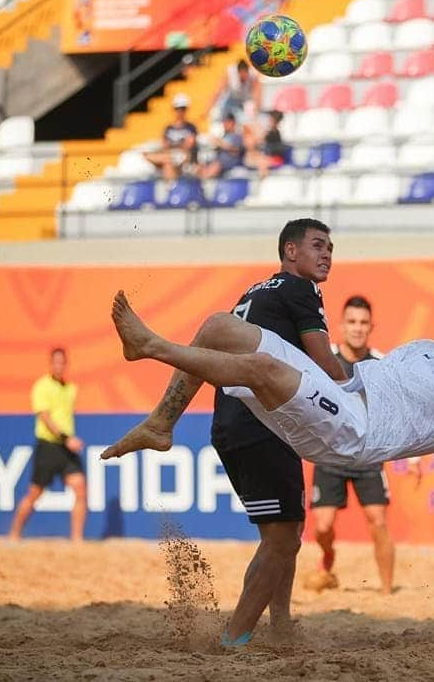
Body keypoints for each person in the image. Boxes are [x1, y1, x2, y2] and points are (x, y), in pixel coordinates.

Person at [102, 289, 434, 586]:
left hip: (354, 432)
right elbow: (358, 374)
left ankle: (151, 346)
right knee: (219, 326)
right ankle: (163, 422)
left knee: (264, 368)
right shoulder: (423, 348)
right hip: (339, 393)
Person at [104, 218, 345, 648]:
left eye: (330, 247)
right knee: (282, 538)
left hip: (235, 417)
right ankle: (235, 640)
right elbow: (327, 365)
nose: (327, 253)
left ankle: (283, 624)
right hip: (261, 418)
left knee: (284, 531)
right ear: (290, 252)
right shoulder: (301, 289)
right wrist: (363, 386)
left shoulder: (256, 292)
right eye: (318, 245)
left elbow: (222, 352)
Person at [310, 295, 418, 595]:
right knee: (322, 527)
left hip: (368, 455)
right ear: (342, 325)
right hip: (330, 454)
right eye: (352, 322)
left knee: (378, 521)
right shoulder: (323, 358)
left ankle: (386, 592)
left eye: (363, 323)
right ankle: (328, 557)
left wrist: (413, 459)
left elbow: (403, 411)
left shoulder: (382, 365)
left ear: (371, 327)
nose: (357, 328)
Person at [9, 348, 87, 542]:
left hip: (66, 448)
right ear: (51, 364)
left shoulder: (71, 388)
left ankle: (77, 539)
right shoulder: (42, 386)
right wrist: (66, 438)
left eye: (62, 362)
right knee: (35, 493)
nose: (59, 366)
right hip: (49, 446)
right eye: (56, 362)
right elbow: (45, 417)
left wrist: (68, 439)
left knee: (80, 488)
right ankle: (14, 534)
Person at [144, 93, 198, 181]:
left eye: (182, 109)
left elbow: (188, 145)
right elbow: (164, 145)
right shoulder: (168, 128)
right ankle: (170, 186)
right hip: (170, 155)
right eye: (178, 109)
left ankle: (169, 187)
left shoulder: (191, 127)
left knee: (167, 163)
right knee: (152, 157)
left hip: (183, 156)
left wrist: (173, 146)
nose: (180, 111)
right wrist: (176, 146)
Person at [198, 113, 244, 180]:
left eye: (227, 122)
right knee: (201, 165)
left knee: (216, 166)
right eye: (224, 122)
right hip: (217, 161)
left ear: (232, 122)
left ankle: (203, 181)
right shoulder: (224, 135)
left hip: (229, 163)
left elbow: (236, 151)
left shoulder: (237, 136)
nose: (224, 124)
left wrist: (220, 143)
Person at [245, 110, 289, 179]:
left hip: (275, 158)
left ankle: (263, 182)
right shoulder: (270, 132)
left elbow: (263, 142)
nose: (269, 121)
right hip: (269, 156)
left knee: (262, 162)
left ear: (274, 121)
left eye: (271, 119)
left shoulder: (275, 133)